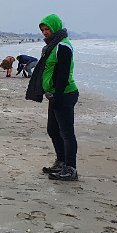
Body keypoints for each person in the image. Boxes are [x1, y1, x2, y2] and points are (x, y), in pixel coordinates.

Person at [25, 14, 80, 182]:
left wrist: (58, 96)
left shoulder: (62, 46)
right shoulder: (53, 45)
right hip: (55, 95)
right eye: (42, 30)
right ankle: (61, 161)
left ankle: (70, 168)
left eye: (47, 29)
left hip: (64, 94)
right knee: (53, 130)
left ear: (55, 28)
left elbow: (63, 74)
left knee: (67, 133)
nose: (45, 32)